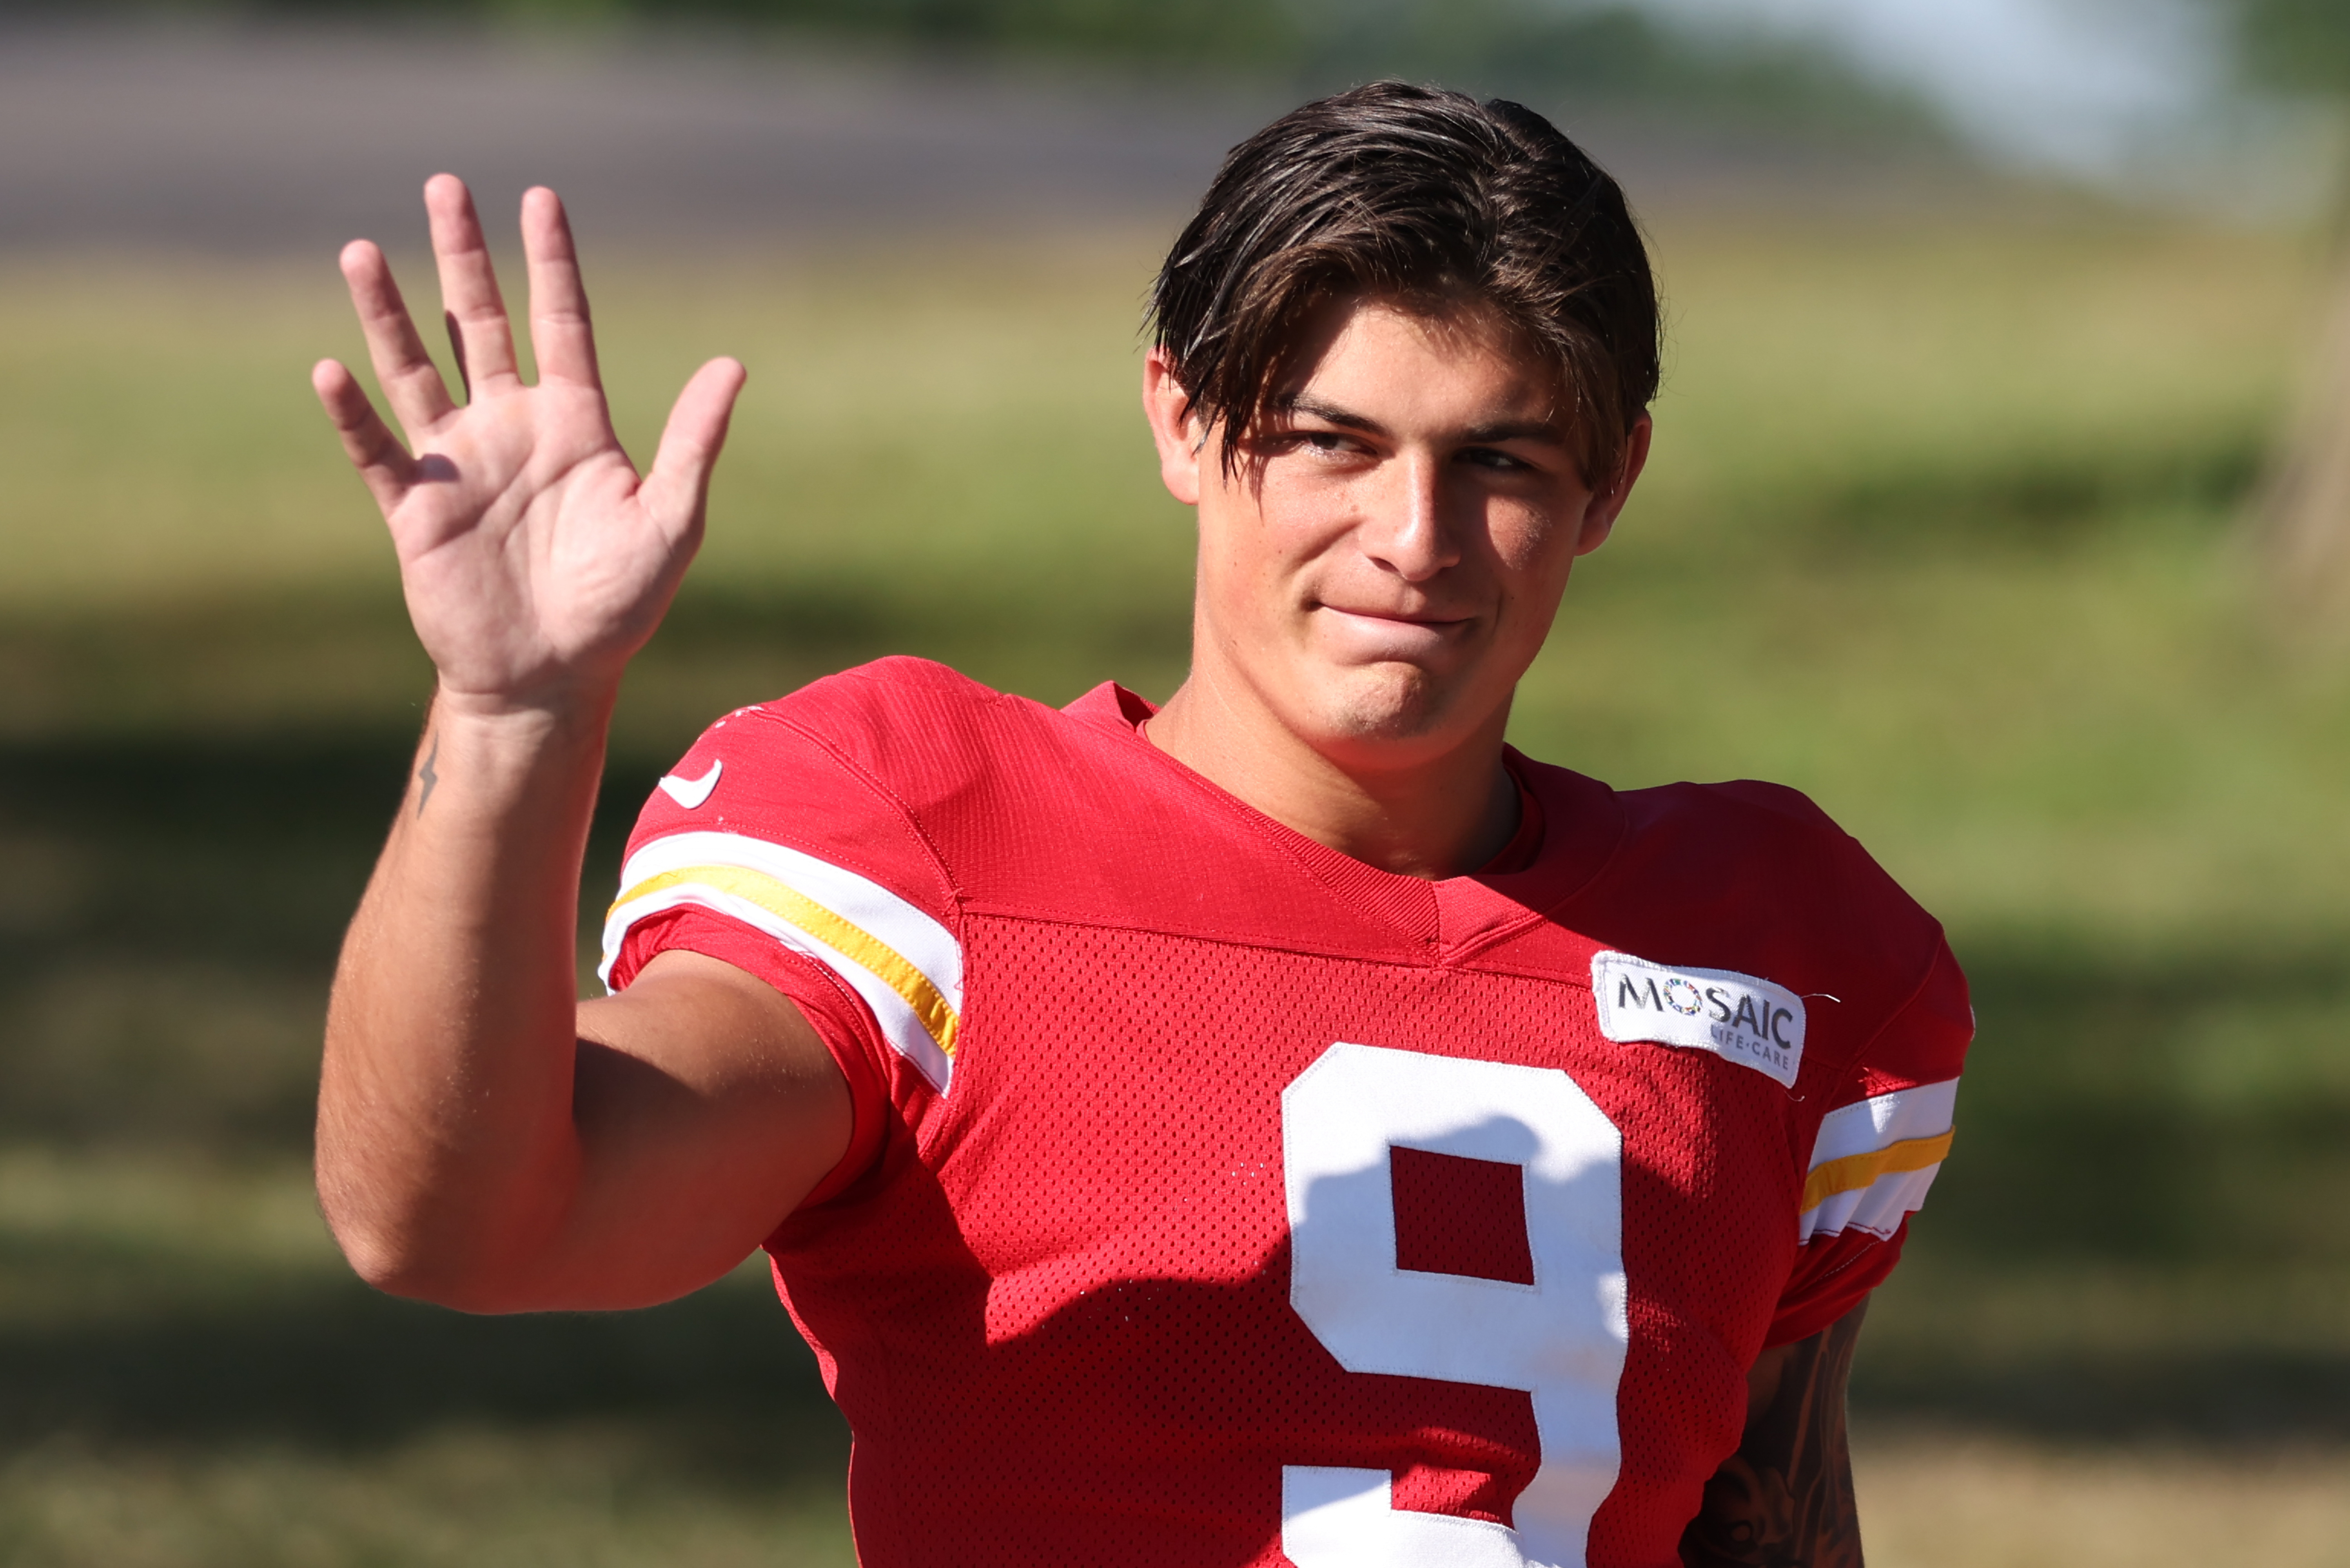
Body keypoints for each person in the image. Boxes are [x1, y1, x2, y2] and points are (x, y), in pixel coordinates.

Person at [310, 82, 1969, 1568]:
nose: (1414, 536)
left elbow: (1763, 1517)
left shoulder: (1778, 945)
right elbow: (461, 1218)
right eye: (1333, 441)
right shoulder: (929, 838)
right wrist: (513, 713)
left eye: (1501, 461)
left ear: (1607, 487)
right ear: (1181, 420)